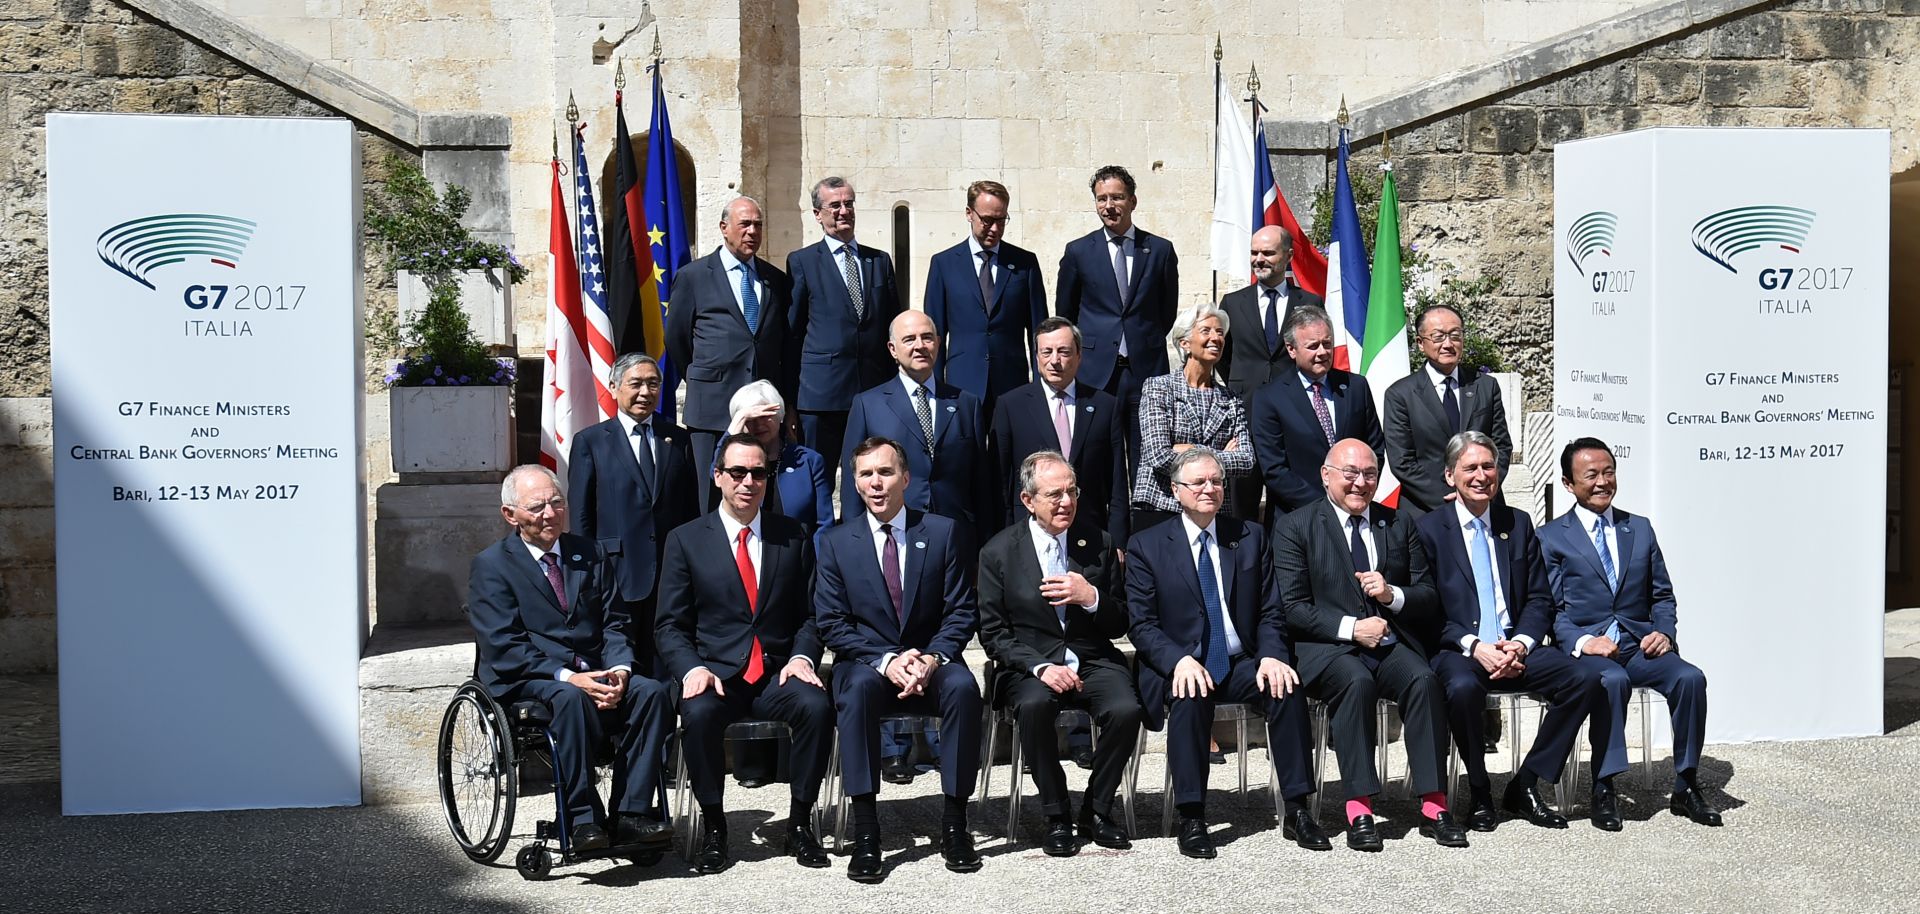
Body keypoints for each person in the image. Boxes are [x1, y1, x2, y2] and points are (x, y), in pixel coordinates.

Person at [1126, 448, 1324, 858]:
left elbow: (1271, 610)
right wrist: (1179, 661)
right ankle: (1192, 815)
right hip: (1181, 662)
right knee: (1189, 693)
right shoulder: (1147, 545)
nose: (1209, 489)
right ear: (1176, 490)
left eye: (1216, 481)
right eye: (1198, 482)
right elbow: (1142, 625)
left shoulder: (1249, 536)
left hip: (1240, 661)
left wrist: (1272, 655)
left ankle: (1298, 809)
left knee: (1285, 685)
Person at [467, 465, 674, 853]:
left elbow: (615, 621)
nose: (550, 513)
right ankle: (581, 818)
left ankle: (632, 812)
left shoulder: (590, 553)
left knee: (651, 692)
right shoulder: (492, 566)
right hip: (528, 678)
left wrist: (619, 669)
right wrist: (567, 676)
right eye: (537, 506)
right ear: (510, 514)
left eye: (556, 502)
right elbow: (504, 645)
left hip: (593, 671)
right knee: (569, 698)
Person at [656, 434, 833, 873]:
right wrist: (691, 668)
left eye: (759, 472)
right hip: (716, 674)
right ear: (718, 477)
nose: (748, 481)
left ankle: (799, 823)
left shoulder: (792, 536)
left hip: (777, 672)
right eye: (737, 472)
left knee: (816, 705)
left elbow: (812, 616)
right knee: (696, 714)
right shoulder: (686, 539)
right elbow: (669, 625)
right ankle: (715, 828)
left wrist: (802, 658)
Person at [1275, 438, 1462, 851]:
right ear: (1327, 477)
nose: (1360, 483)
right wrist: (1351, 628)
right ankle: (1359, 808)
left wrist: (1392, 594)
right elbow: (1292, 606)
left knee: (1424, 680)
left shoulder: (1397, 522)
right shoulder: (1296, 525)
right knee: (1355, 682)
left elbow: (1428, 594)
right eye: (1351, 474)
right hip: (1329, 649)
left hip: (1390, 644)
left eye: (1370, 474)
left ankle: (1435, 805)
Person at [1414, 430, 1606, 832]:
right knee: (1463, 689)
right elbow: (1425, 608)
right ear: (1450, 476)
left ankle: (1527, 782)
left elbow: (1540, 600)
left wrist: (1519, 644)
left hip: (1514, 643)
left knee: (1587, 677)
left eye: (1489, 466)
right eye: (1471, 468)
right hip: (1460, 648)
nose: (1482, 475)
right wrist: (1475, 646)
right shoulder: (1428, 530)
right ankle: (1480, 791)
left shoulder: (1517, 523)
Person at [815, 437, 985, 882]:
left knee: (965, 689)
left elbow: (961, 610)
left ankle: (955, 823)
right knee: (855, 692)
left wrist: (932, 657)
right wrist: (886, 660)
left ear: (905, 478)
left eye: (886, 473)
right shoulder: (835, 542)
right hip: (867, 662)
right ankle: (867, 830)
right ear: (854, 483)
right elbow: (832, 622)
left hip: (932, 657)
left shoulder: (943, 532)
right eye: (866, 474)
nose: (876, 483)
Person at [1539, 437, 1720, 830]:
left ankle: (1686, 784)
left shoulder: (1638, 528)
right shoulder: (1551, 537)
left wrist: (1664, 633)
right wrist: (1585, 642)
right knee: (1612, 681)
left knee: (1690, 678)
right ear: (1569, 484)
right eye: (1591, 475)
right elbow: (1550, 610)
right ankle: (1604, 786)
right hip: (1592, 652)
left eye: (1609, 472)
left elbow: (1662, 594)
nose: (1603, 482)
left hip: (1641, 645)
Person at [977, 451, 1141, 856]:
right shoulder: (998, 553)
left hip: (1092, 657)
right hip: (1029, 665)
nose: (1066, 502)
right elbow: (993, 633)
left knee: (1125, 710)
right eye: (1054, 494)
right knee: (1033, 707)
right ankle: (1056, 813)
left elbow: (1119, 623)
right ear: (1028, 500)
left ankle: (1097, 808)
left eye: (1071, 491)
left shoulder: (1097, 542)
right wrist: (1039, 666)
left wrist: (1092, 598)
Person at [567, 353, 699, 672]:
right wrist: (587, 574)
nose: (645, 392)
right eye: (636, 383)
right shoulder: (591, 442)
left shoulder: (678, 440)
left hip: (670, 572)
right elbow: (582, 515)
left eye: (653, 384)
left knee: (667, 659)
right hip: (617, 572)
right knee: (623, 659)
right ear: (613, 388)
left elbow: (690, 508)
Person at [666, 196, 793, 506]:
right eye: (745, 224)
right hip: (712, 411)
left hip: (762, 415)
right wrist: (706, 378)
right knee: (709, 495)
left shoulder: (775, 280)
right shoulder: (693, 276)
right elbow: (677, 339)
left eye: (758, 225)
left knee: (761, 494)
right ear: (724, 228)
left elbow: (782, 345)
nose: (752, 231)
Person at [1056, 164, 1180, 464]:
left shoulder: (1160, 250)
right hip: (1095, 373)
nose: (1109, 206)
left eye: (1117, 197)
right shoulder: (1078, 251)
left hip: (1145, 371)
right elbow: (1066, 314)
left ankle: (1143, 512)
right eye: (1102, 199)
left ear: (1132, 201)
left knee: (1146, 454)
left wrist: (1141, 340)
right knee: (1097, 456)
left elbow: (1167, 311)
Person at [840, 310, 994, 546]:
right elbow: (854, 484)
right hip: (894, 536)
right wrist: (855, 543)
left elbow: (981, 482)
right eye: (909, 339)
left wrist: (983, 548)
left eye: (927, 337)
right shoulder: (867, 404)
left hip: (957, 537)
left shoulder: (966, 403)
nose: (920, 346)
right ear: (892, 349)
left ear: (939, 343)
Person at [785, 177, 902, 466]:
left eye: (848, 203)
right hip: (821, 395)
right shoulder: (803, 262)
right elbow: (792, 333)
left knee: (875, 472)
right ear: (817, 214)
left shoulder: (879, 261)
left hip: (874, 393)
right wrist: (790, 400)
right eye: (834, 205)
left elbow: (892, 325)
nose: (843, 211)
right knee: (818, 478)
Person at [989, 317, 1129, 551]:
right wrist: (1003, 539)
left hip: (1091, 536)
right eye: (1046, 352)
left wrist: (1118, 541)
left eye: (1063, 351)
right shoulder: (1010, 406)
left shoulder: (1105, 406)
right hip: (1027, 536)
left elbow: (1116, 482)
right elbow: (1000, 482)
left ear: (1079, 355)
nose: (1055, 361)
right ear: (1036, 357)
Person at [1247, 305, 1385, 525]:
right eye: (1313, 346)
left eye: (1327, 344)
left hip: (1355, 513)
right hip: (1298, 519)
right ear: (1292, 349)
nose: (1322, 352)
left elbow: (1375, 448)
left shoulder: (1355, 387)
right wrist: (1327, 506)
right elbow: (1274, 468)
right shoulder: (1269, 398)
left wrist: (1356, 492)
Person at [923, 179, 1047, 413]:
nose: (995, 228)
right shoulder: (944, 264)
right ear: (969, 214)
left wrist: (1041, 388)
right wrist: (934, 388)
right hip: (961, 385)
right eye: (987, 220)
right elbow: (934, 334)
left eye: (1001, 220)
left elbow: (1038, 332)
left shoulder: (1024, 264)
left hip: (1012, 385)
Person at [1130, 303, 1255, 532]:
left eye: (1220, 333)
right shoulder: (1159, 389)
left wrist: (1190, 450)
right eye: (1206, 331)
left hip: (1212, 513)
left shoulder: (1231, 399)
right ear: (1184, 343)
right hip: (1162, 507)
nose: (1216, 338)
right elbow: (1158, 456)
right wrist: (1219, 458)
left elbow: (1246, 461)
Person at [1382, 305, 1513, 519]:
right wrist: (1453, 497)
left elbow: (1501, 446)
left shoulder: (1485, 387)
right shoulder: (1401, 394)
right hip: (1427, 510)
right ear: (1420, 343)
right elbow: (1402, 461)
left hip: (1483, 504)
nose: (1448, 344)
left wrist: (1480, 489)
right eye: (1438, 336)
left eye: (1455, 335)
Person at [1219, 226, 1325, 401]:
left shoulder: (1310, 302)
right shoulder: (1232, 303)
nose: (1259, 260)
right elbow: (1221, 354)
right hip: (1245, 401)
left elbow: (1319, 351)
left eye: (1268, 253)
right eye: (1254, 253)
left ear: (1289, 256)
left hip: (1295, 401)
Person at [720, 380, 833, 537]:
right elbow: (715, 472)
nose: (758, 424)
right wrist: (734, 427)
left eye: (765, 415)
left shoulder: (809, 461)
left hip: (799, 555)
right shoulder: (734, 463)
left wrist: (820, 560)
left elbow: (824, 523)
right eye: (750, 418)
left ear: (780, 415)